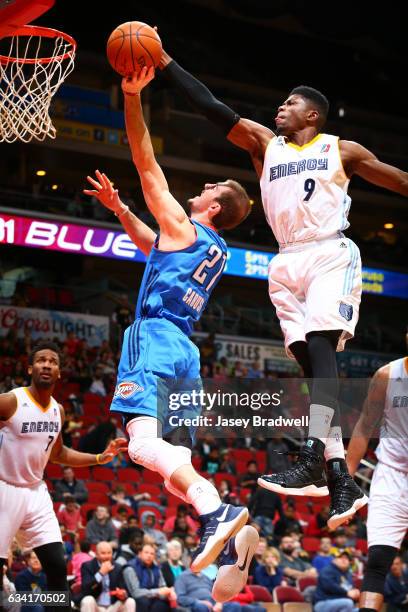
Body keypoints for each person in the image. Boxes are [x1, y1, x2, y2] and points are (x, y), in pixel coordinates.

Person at [158, 47, 408, 528]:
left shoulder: (341, 149)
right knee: (313, 368)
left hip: (329, 252)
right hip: (285, 259)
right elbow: (211, 106)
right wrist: (166, 62)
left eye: (291, 103)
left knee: (321, 349)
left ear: (312, 114)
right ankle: (340, 478)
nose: (281, 107)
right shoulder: (263, 145)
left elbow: (397, 180)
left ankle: (315, 450)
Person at [83, 66, 251, 578]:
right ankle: (222, 531)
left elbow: (144, 160)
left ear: (215, 206)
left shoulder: (184, 225)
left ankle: (214, 507)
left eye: (211, 187)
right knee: (167, 458)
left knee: (140, 444)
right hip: (186, 352)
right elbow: (152, 246)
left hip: (153, 338)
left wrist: (132, 96)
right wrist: (119, 209)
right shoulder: (213, 248)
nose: (202, 186)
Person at [0, 341, 127, 610]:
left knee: (58, 565)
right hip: (4, 489)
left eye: (53, 361)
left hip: (36, 491)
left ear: (59, 373)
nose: (47, 364)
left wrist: (98, 458)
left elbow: (57, 453)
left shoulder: (58, 410)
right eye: (41, 360)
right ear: (29, 368)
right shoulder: (11, 401)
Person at [346, 347, 408, 612]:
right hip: (391, 474)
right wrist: (345, 482)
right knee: (378, 562)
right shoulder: (387, 375)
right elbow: (364, 425)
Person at [80, 541, 135, 612]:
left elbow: (124, 590)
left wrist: (123, 595)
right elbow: (85, 588)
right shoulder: (88, 566)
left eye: (109, 553)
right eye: (103, 553)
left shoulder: (118, 567)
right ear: (96, 554)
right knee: (87, 600)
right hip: (96, 605)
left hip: (113, 606)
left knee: (130, 601)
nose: (107, 556)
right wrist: (100, 573)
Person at [122, 542, 173, 612]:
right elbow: (136, 593)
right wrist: (157, 592)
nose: (149, 556)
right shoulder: (130, 568)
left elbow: (162, 586)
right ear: (140, 554)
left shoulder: (156, 568)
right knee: (143, 602)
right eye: (146, 553)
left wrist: (168, 591)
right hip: (135, 599)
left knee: (162, 605)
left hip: (153, 598)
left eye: (152, 554)